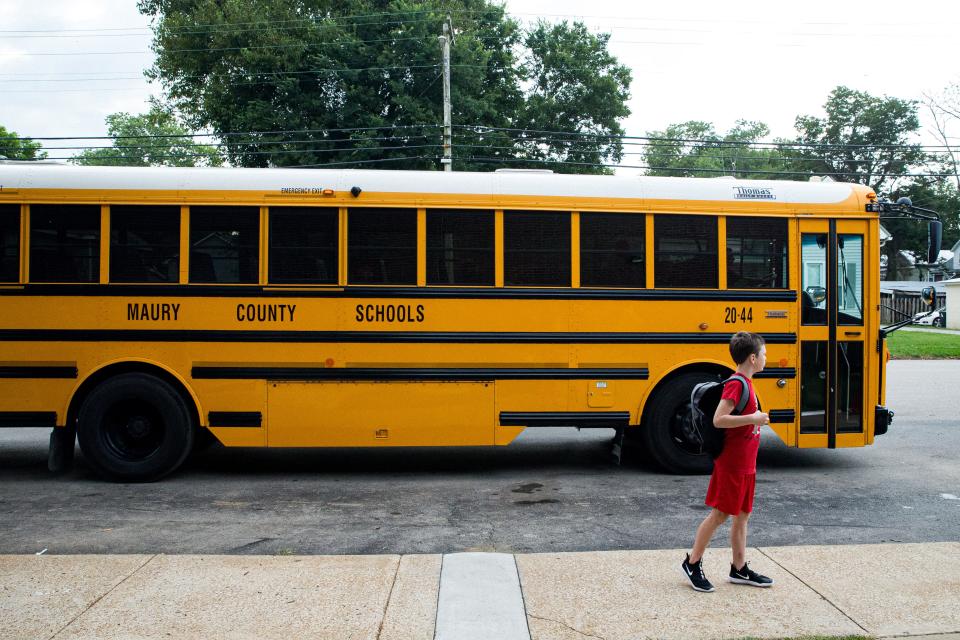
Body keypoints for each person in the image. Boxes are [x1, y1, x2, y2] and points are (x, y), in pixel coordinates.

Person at [681, 331, 774, 592]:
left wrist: (754, 418)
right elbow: (719, 419)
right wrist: (753, 418)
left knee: (742, 515)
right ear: (753, 358)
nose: (767, 358)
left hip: (746, 463)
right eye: (764, 354)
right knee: (720, 514)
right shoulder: (737, 384)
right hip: (732, 463)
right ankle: (692, 562)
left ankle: (739, 568)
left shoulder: (748, 383)